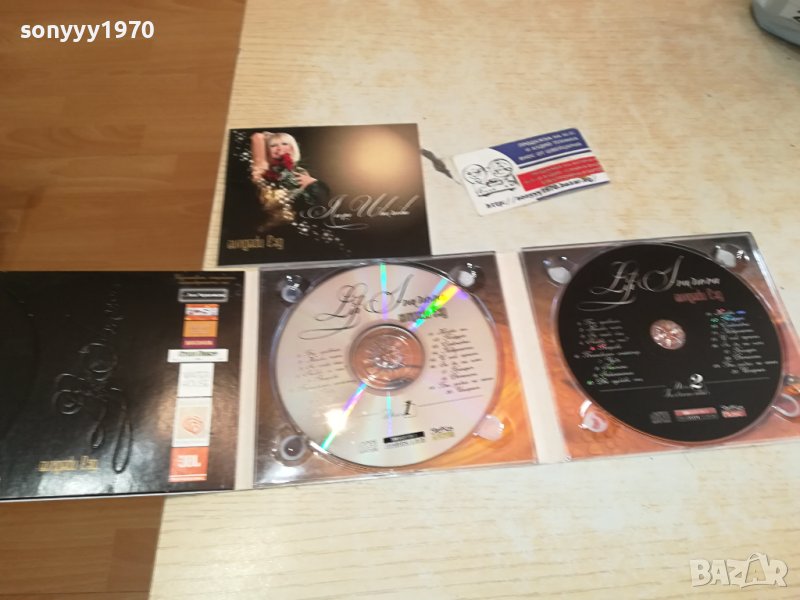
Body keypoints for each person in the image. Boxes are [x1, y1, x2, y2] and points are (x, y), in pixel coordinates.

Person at [249, 132, 329, 230]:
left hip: (295, 223)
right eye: (273, 145)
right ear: (267, 150)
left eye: (284, 144)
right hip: (266, 223)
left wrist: (312, 182)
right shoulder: (263, 169)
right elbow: (257, 137)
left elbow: (315, 199)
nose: (279, 148)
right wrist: (269, 136)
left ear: (292, 148)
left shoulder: (300, 171)